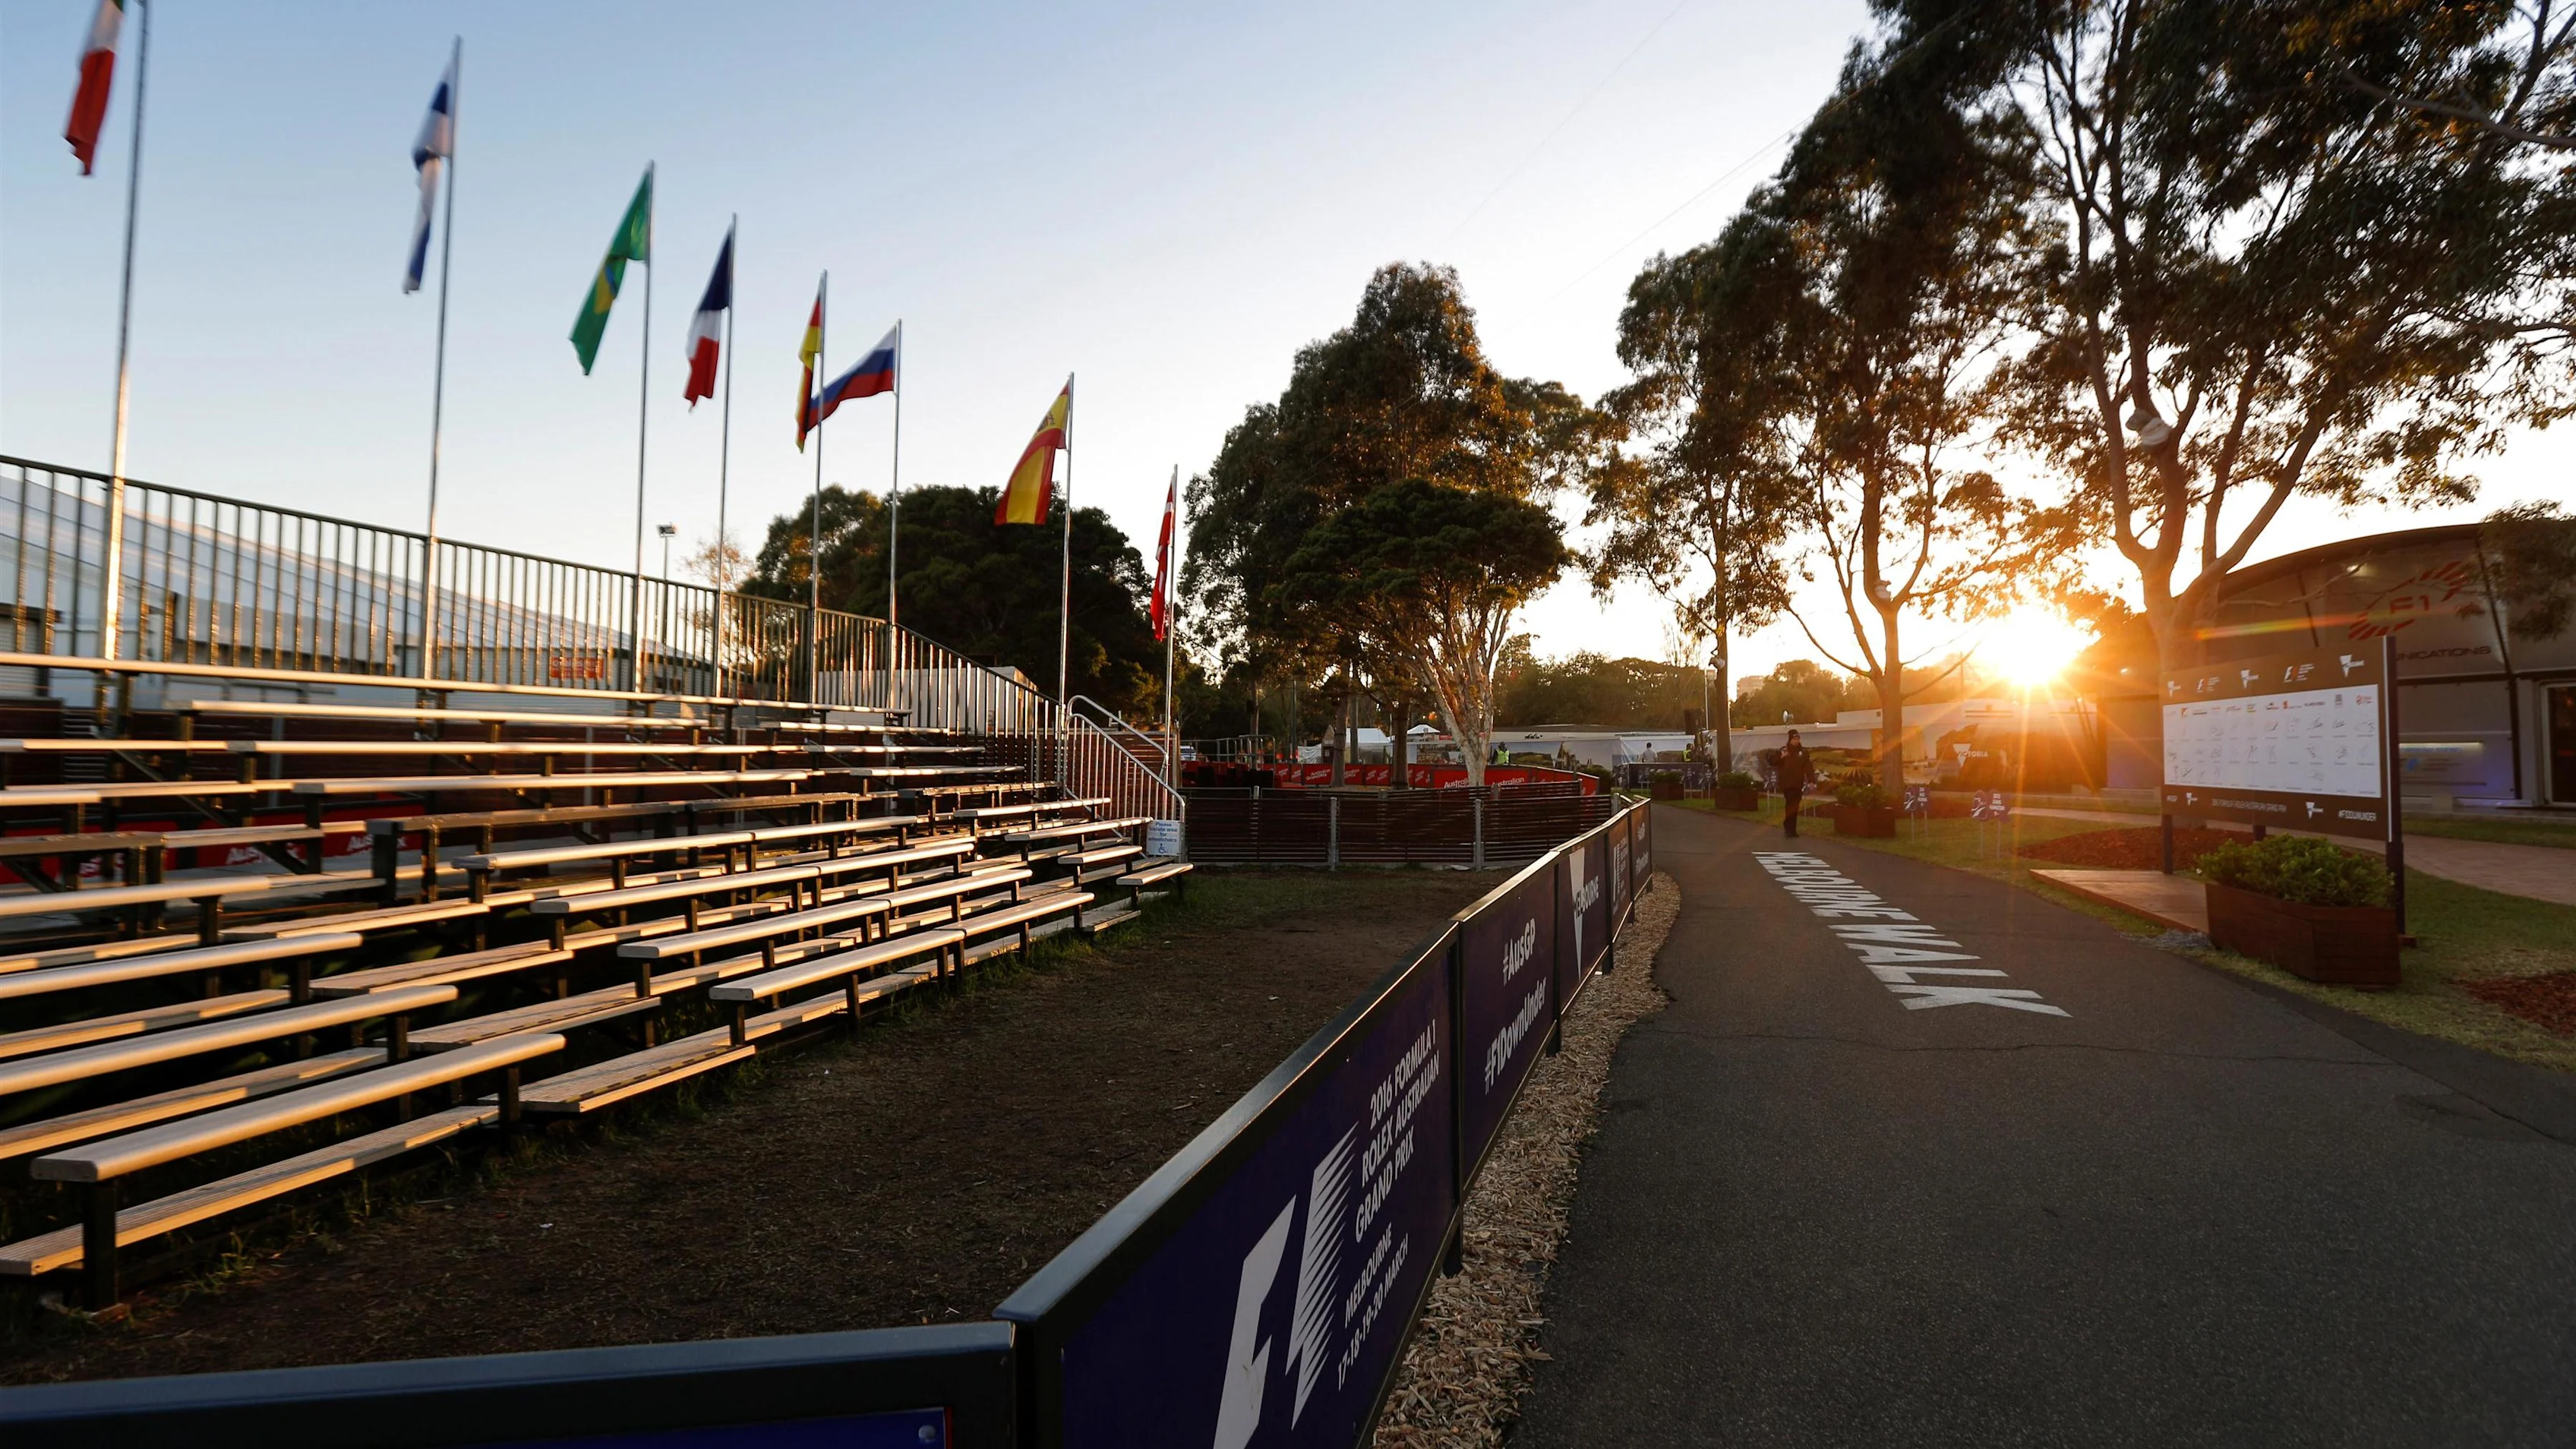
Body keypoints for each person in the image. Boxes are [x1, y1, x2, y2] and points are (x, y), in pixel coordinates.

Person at [1776, 730, 1812, 838]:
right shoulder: (1784, 751)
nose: (1796, 741)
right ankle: (1788, 828)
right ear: (1790, 740)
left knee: (1795, 807)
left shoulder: (1803, 753)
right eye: (1794, 739)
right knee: (1790, 805)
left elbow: (1809, 767)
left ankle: (1793, 829)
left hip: (1798, 784)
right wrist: (1781, 757)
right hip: (1787, 784)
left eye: (1798, 739)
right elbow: (1772, 761)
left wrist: (1812, 781)